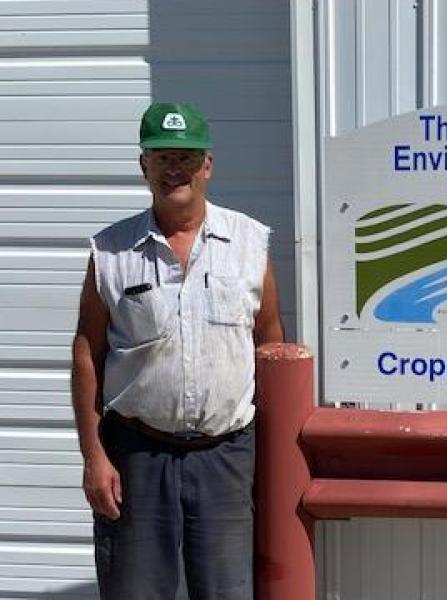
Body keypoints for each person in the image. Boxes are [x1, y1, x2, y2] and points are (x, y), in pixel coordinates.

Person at [70, 102, 284, 600]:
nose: (174, 169)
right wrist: (93, 456)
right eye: (161, 157)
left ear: (207, 165)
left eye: (185, 157)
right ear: (143, 165)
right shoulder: (110, 252)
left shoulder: (250, 244)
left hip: (227, 458)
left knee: (228, 592)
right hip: (137, 457)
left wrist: (274, 462)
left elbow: (271, 345)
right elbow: (87, 352)